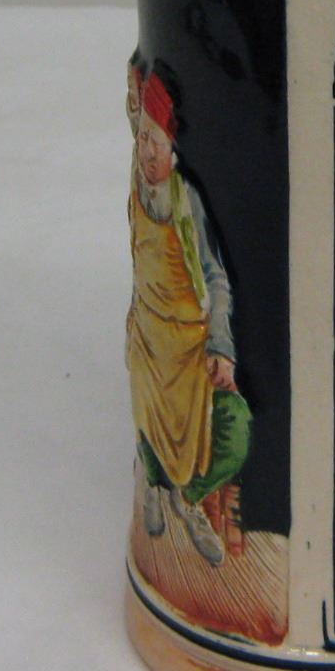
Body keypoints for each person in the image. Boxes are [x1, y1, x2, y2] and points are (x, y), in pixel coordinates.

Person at [125, 61, 251, 567]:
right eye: (142, 140)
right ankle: (155, 487)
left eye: (155, 143)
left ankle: (189, 496)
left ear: (173, 148)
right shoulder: (136, 190)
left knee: (235, 426)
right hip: (149, 340)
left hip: (191, 344)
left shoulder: (185, 199)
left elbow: (215, 277)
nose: (146, 152)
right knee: (145, 401)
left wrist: (220, 345)